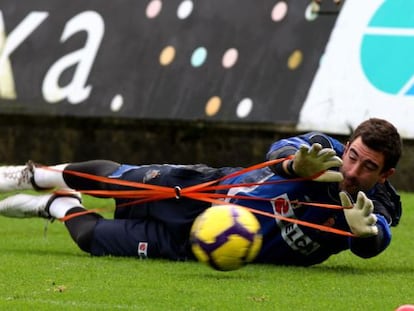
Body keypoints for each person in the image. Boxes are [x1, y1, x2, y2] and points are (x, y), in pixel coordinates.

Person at [0, 118, 402, 266]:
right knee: (110, 178)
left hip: (197, 241)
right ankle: (32, 176)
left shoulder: (373, 205)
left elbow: (376, 238)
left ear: (385, 175)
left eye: (368, 167)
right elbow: (278, 151)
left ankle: (57, 205)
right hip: (201, 189)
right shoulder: (322, 150)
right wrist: (296, 167)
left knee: (90, 238)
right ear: (346, 145)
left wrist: (364, 235)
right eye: (353, 156)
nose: (352, 171)